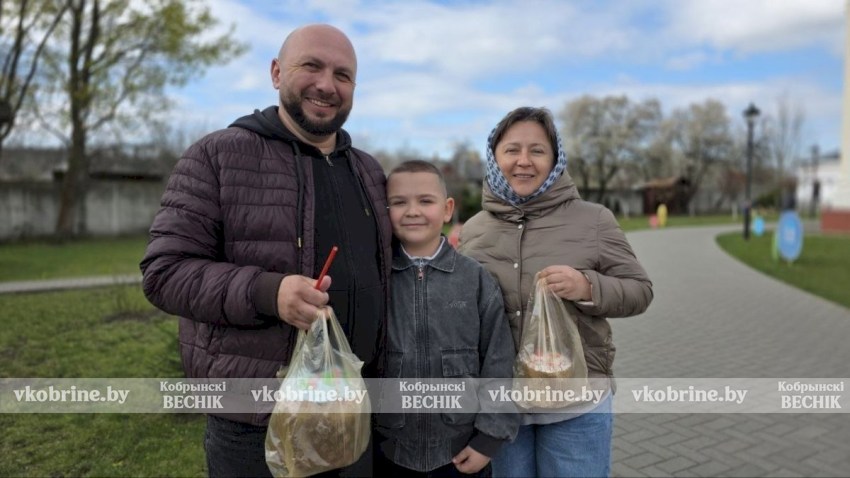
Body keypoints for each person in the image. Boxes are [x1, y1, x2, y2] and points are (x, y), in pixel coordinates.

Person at [140, 24, 391, 478]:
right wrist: (268, 293)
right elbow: (164, 273)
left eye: (343, 75)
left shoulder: (368, 172)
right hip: (255, 419)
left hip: (351, 411)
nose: (327, 85)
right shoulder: (217, 156)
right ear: (276, 73)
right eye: (311, 66)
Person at [458, 107, 653, 478]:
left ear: (555, 159)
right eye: (512, 150)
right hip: (503, 410)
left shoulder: (593, 219)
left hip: (576, 403)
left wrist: (587, 286)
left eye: (537, 150)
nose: (524, 161)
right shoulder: (474, 229)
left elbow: (640, 290)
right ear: (494, 158)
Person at [374, 160, 519, 477]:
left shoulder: (475, 279)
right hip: (389, 452)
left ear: (447, 209)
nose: (413, 211)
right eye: (399, 202)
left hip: (462, 453)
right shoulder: (376, 280)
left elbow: (499, 361)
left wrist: (489, 440)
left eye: (425, 201)